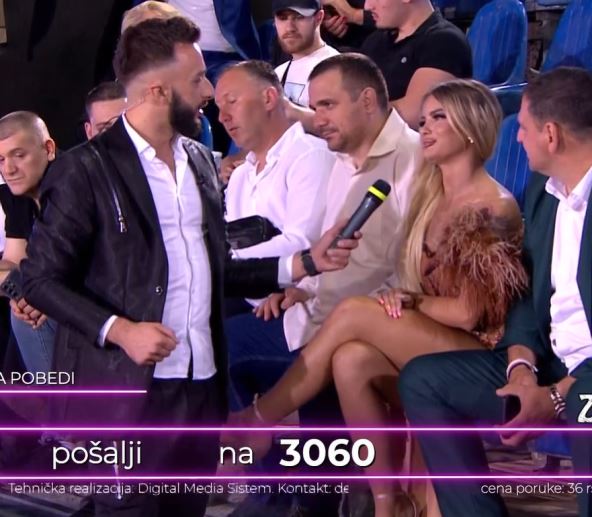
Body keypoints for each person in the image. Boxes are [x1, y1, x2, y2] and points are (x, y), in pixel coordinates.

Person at [20, 17, 357, 517]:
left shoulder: (200, 160)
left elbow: (215, 268)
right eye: (197, 80)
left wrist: (303, 263)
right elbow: (39, 280)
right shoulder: (84, 169)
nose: (207, 93)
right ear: (158, 91)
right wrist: (122, 331)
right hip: (127, 395)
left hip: (201, 388)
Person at [233, 78, 528, 517]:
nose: (425, 128)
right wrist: (310, 289)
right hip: (431, 340)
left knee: (355, 312)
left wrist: (410, 301)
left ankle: (258, 420)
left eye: (439, 118)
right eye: (423, 120)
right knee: (351, 358)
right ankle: (387, 503)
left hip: (480, 353)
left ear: (471, 127)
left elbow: (470, 313)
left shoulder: (493, 205)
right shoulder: (430, 195)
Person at [399, 67, 592, 517]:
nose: (516, 138)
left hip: (586, 381)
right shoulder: (544, 191)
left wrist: (557, 394)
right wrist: (521, 368)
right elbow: (525, 294)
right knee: (424, 381)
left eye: (522, 128)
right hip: (551, 363)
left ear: (550, 134)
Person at [216, 60, 334, 314]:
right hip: (246, 297)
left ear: (269, 98)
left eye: (232, 101)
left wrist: (221, 264)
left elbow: (304, 243)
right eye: (219, 107)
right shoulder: (239, 176)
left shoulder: (310, 156)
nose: (222, 117)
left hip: (299, 305)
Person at [0, 112, 57, 373]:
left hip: (94, 302)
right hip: (49, 293)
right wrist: (21, 293)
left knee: (25, 319)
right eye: (1, 160)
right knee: (21, 310)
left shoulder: (73, 182)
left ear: (49, 149)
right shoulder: (18, 192)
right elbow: (13, 262)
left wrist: (42, 295)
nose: (8, 169)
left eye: (19, 155)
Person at [360, 0, 472, 129]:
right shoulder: (375, 42)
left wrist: (353, 113)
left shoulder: (445, 42)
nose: (367, 6)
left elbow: (414, 114)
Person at [273, 0, 339, 108]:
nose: (290, 28)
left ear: (319, 18)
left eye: (299, 17)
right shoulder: (278, 73)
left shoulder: (336, 70)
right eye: (283, 18)